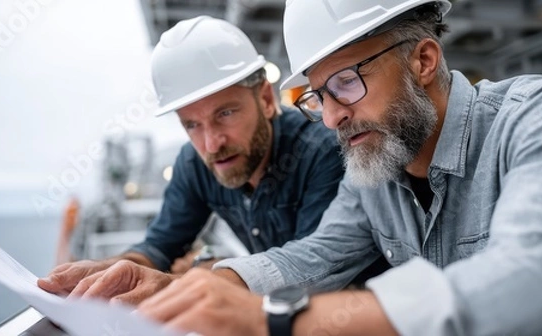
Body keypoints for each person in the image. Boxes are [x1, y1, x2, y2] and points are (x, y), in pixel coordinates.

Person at [56, 1, 542, 335]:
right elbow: (313, 256)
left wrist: (274, 320)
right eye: (318, 96)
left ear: (423, 60)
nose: (330, 117)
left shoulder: (540, 119)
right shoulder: (374, 169)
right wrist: (179, 288)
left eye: (346, 82)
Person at [37, 16, 345, 300]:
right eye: (192, 125)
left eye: (225, 113)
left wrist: (198, 276)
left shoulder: (321, 151)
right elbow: (159, 246)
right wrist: (113, 269)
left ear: (265, 99)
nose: (211, 144)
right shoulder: (194, 164)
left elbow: (314, 271)